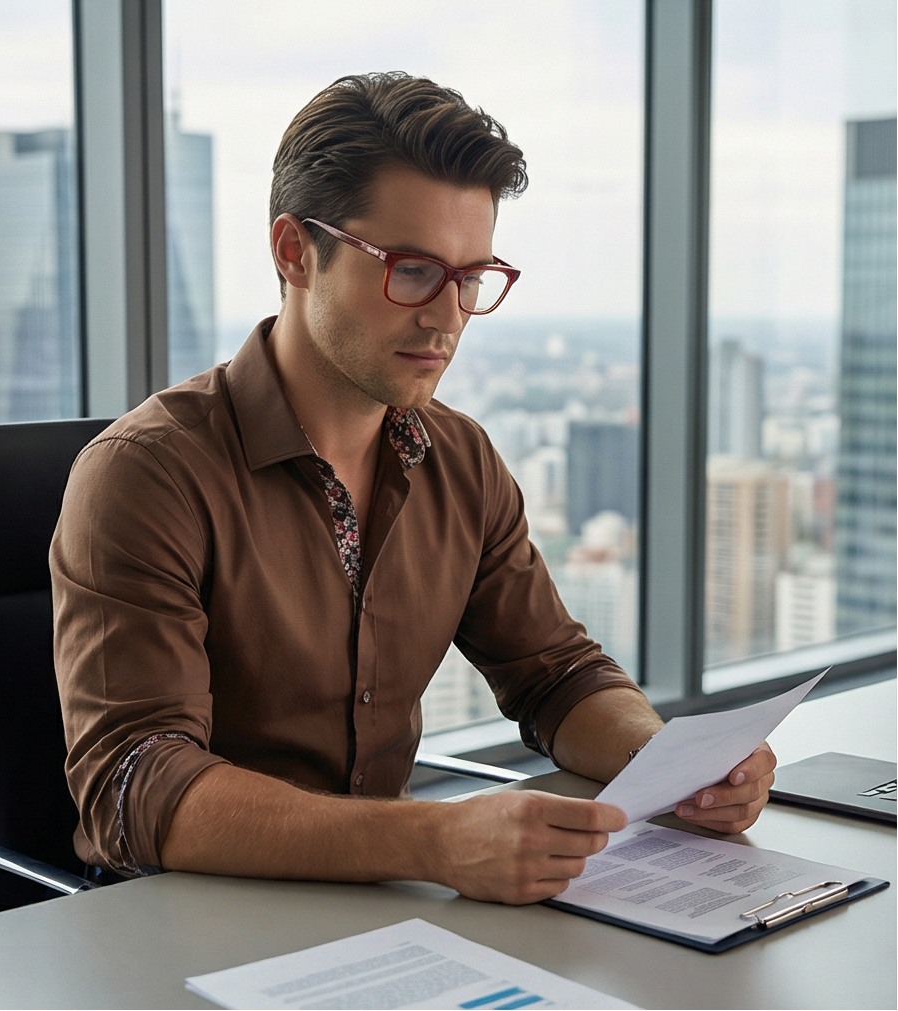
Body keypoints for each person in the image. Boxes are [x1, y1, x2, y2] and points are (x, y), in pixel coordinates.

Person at [52, 72, 776, 904]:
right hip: (179, 920)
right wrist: (433, 840)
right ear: (294, 252)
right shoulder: (145, 475)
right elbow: (136, 786)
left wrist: (669, 765)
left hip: (387, 906)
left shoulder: (460, 459)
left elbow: (556, 675)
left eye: (471, 276)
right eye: (412, 270)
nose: (447, 316)